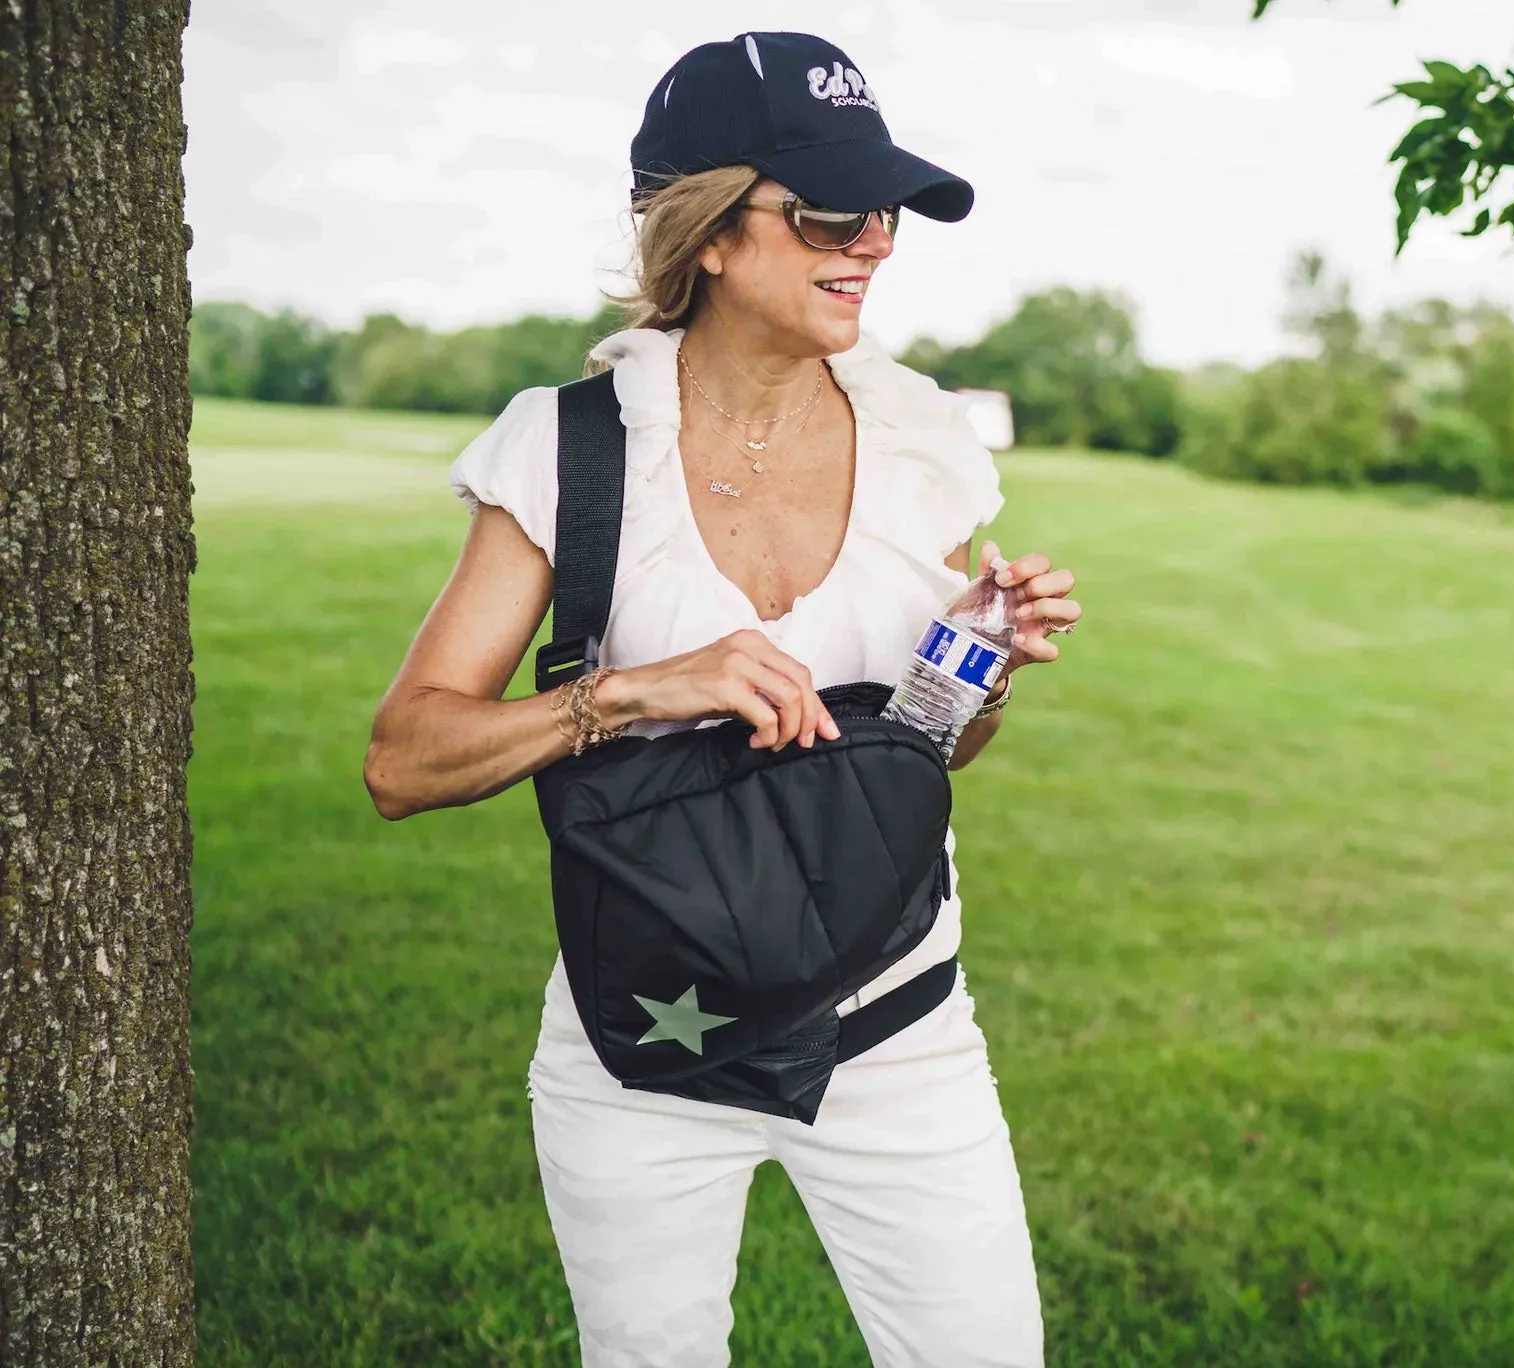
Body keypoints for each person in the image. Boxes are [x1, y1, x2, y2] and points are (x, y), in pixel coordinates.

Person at [361, 31, 1082, 1368]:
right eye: (826, 211)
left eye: (884, 213)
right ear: (705, 229)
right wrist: (630, 695)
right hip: (643, 1047)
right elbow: (404, 761)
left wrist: (974, 668)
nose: (870, 241)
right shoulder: (565, 448)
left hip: (900, 1028)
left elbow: (922, 758)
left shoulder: (925, 438)